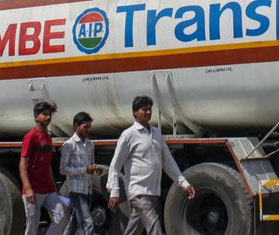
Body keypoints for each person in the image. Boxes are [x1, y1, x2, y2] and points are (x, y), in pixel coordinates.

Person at [106, 96, 195, 235]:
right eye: (144, 109)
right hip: (138, 191)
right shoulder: (128, 135)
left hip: (153, 192)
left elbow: (168, 162)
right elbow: (115, 165)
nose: (148, 112)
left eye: (149, 109)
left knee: (134, 229)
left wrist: (184, 183)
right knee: (155, 226)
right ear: (135, 112)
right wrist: (114, 192)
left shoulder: (156, 134)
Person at [20, 100, 70, 235]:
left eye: (50, 114)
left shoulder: (48, 136)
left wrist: (55, 189)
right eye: (45, 114)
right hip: (33, 189)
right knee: (32, 225)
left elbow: (47, 165)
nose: (48, 117)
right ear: (36, 117)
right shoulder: (30, 137)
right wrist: (28, 188)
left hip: (48, 189)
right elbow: (22, 163)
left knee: (61, 217)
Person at [60, 111, 103, 235]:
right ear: (76, 126)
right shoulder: (69, 145)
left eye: (89, 127)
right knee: (87, 221)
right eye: (85, 127)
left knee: (74, 220)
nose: (87, 130)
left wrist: (96, 170)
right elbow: (63, 169)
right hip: (76, 190)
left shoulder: (90, 144)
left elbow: (91, 166)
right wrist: (84, 169)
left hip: (88, 189)